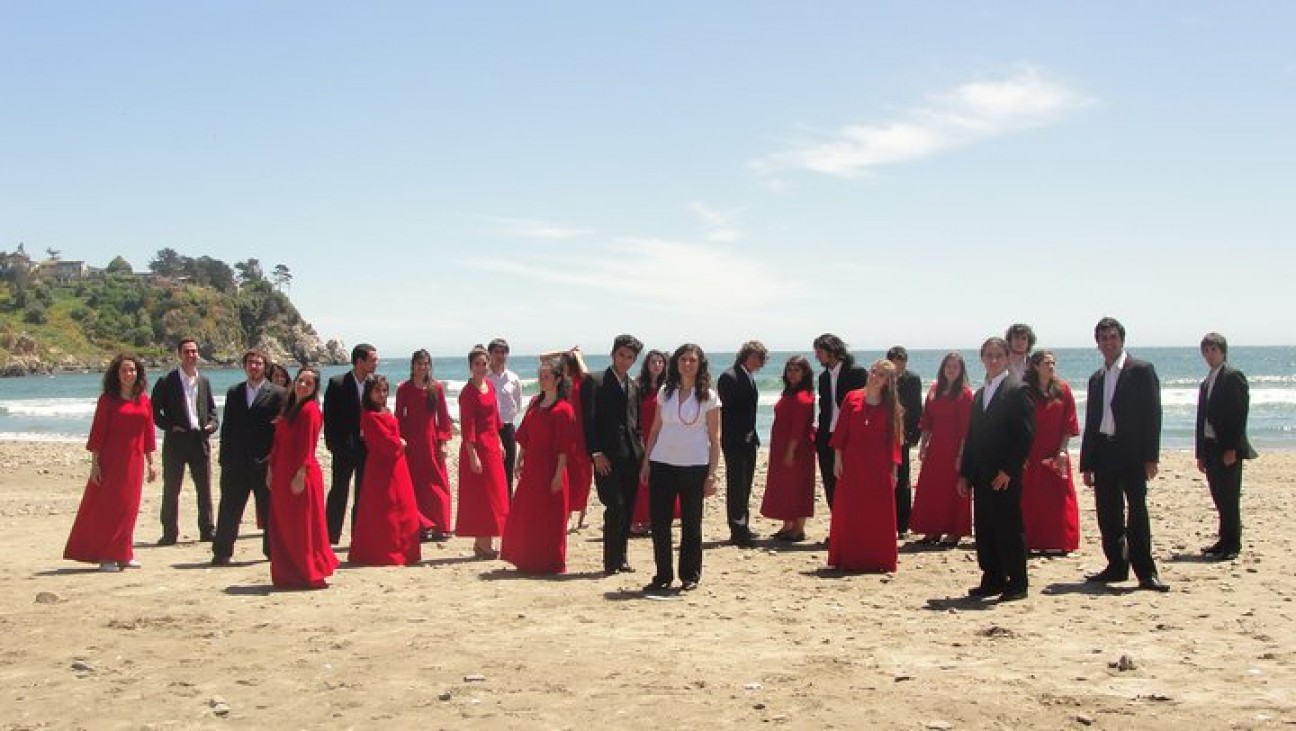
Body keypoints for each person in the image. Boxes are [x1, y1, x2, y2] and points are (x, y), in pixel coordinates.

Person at [1079, 317, 1169, 592]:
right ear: (1097, 344)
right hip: (1104, 451)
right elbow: (1092, 421)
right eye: (1103, 338)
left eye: (1113, 337)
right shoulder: (1097, 378)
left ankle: (1145, 572)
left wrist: (1151, 456)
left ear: (1122, 340)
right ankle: (1116, 566)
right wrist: (1087, 463)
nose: (1108, 342)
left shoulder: (1140, 370)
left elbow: (1153, 415)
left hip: (1131, 452)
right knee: (1108, 514)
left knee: (1137, 512)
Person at [64, 354, 158, 572]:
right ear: (117, 375)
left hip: (134, 462)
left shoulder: (144, 399)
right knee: (109, 509)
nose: (129, 374)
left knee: (129, 509)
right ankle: (106, 556)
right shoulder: (108, 400)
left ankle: (124, 555)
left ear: (138, 373)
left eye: (132, 370)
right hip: (111, 460)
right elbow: (98, 433)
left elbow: (149, 433)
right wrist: (95, 464)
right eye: (124, 370)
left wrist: (152, 462)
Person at [959, 338, 1035, 601]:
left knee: (1008, 527)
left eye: (998, 356)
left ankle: (1018, 582)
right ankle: (992, 578)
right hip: (981, 473)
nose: (993, 360)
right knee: (985, 527)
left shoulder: (1017, 389)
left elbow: (1025, 436)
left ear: (1006, 359)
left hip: (1004, 474)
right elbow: (972, 436)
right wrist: (966, 474)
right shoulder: (980, 393)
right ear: (982, 358)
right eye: (989, 355)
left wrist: (1009, 470)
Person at [640, 343, 720, 593]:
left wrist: (712, 474)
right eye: (683, 359)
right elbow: (654, 429)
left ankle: (690, 574)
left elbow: (715, 438)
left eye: (692, 360)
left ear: (700, 364)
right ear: (676, 363)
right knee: (660, 522)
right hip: (662, 463)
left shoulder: (709, 396)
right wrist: (646, 461)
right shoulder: (666, 391)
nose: (687, 364)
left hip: (694, 466)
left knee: (691, 523)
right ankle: (663, 574)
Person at [501, 358, 578, 574]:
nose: (542, 380)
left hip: (552, 468)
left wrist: (558, 474)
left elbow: (564, 448)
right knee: (527, 514)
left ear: (558, 379)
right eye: (540, 376)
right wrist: (518, 461)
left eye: (547, 376)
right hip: (532, 468)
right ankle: (527, 560)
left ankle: (550, 562)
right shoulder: (535, 402)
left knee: (551, 518)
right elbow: (525, 436)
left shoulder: (564, 409)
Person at [826, 359, 903, 573]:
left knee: (876, 514)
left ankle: (877, 559)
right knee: (850, 510)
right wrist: (837, 460)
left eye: (880, 375)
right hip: (852, 463)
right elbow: (840, 432)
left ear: (887, 382)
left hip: (878, 467)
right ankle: (848, 557)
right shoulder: (852, 398)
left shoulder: (890, 406)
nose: (874, 376)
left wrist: (894, 471)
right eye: (873, 371)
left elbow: (894, 443)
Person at [212, 349, 286, 566]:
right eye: (250, 363)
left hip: (264, 461)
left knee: (269, 509)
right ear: (245, 366)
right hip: (236, 461)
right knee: (229, 508)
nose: (254, 367)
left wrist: (275, 460)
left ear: (265, 367)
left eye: (259, 363)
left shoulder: (278, 393)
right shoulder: (234, 392)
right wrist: (224, 459)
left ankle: (273, 552)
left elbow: (281, 431)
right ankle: (222, 552)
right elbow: (228, 427)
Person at [267, 367, 339, 589]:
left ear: (315, 388)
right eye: (301, 381)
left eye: (309, 383)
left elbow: (308, 447)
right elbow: (277, 444)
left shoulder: (311, 410)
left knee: (304, 526)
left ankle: (309, 571)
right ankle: (288, 573)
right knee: (283, 524)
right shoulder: (289, 408)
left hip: (301, 475)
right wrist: (270, 469)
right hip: (281, 473)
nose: (303, 385)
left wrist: (300, 474)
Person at [581, 335, 646, 575]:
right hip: (606, 457)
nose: (625, 361)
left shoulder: (634, 386)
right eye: (622, 355)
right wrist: (596, 453)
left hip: (632, 456)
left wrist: (641, 452)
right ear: (613, 354)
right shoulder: (595, 382)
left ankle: (623, 558)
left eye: (630, 357)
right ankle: (611, 561)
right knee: (615, 506)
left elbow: (637, 423)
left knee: (628, 508)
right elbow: (588, 422)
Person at [350, 375, 428, 566]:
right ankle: (384, 551)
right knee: (383, 508)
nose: (381, 394)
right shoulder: (368, 415)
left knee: (402, 504)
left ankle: (404, 548)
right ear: (369, 393)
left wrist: (398, 444)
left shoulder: (385, 411)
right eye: (377, 390)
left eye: (384, 390)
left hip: (397, 464)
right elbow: (380, 440)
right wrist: (399, 443)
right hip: (380, 465)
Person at [1195, 332, 1258, 561]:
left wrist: (1232, 447)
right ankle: (1223, 539)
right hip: (1210, 446)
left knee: (1229, 496)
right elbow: (1201, 419)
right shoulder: (1207, 382)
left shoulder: (1232, 376)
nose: (1210, 355)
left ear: (1223, 352)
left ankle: (1233, 543)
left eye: (1214, 350)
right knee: (1218, 494)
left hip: (1227, 446)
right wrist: (1200, 453)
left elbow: (1239, 414)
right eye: (1207, 351)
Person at [151, 338, 218, 545]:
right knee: (172, 488)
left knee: (205, 488)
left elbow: (213, 412)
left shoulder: (203, 381)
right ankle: (169, 533)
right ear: (179, 355)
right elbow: (153, 411)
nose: (191, 355)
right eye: (187, 352)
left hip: (199, 439)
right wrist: (170, 426)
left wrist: (212, 426)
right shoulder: (166, 381)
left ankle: (207, 530)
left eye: (194, 351)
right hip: (176, 440)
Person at [909, 352, 974, 547]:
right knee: (933, 488)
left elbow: (967, 428)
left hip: (956, 447)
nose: (951, 370)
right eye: (948, 366)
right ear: (942, 369)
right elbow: (927, 420)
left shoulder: (965, 394)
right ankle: (933, 529)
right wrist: (923, 445)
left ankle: (955, 531)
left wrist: (961, 455)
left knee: (954, 489)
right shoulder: (935, 390)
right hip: (936, 446)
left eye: (955, 367)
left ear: (961, 370)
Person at [1021, 350, 1081, 554]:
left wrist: (1062, 450)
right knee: (1030, 496)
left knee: (1059, 496)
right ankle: (1031, 540)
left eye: (1053, 363)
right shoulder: (1025, 391)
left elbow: (1069, 423)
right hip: (1031, 451)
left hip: (1055, 450)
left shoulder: (1063, 390)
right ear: (1036, 366)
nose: (1051, 366)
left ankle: (1061, 541)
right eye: (1046, 363)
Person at [457, 345, 510, 559]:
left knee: (495, 494)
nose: (481, 367)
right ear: (470, 367)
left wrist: (500, 442)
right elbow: (467, 426)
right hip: (476, 448)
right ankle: (482, 543)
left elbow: (495, 418)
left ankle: (484, 542)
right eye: (477, 364)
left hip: (492, 447)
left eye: (484, 363)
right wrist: (473, 455)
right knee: (481, 497)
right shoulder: (467, 392)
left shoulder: (490, 385)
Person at [395, 350, 455, 541]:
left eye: (426, 363)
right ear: (412, 365)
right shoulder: (403, 388)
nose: (423, 367)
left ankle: (440, 526)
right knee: (414, 485)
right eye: (419, 363)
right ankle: (420, 526)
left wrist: (443, 441)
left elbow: (443, 418)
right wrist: (399, 440)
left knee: (438, 484)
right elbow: (398, 417)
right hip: (411, 443)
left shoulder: (435, 387)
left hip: (431, 442)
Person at [324, 343, 378, 544]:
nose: (376, 363)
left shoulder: (375, 382)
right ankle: (329, 536)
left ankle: (359, 537)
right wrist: (334, 446)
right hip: (343, 448)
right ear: (359, 361)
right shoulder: (337, 383)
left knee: (363, 493)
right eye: (372, 359)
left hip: (368, 448)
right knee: (339, 491)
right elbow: (329, 419)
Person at [759, 355, 817, 542]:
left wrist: (791, 450)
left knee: (799, 486)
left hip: (797, 448)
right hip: (781, 445)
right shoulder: (789, 392)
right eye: (789, 369)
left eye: (797, 370)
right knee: (785, 486)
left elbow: (798, 428)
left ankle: (798, 529)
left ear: (805, 373)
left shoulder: (803, 396)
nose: (792, 374)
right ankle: (787, 525)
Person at [718, 340, 768, 547]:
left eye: (761, 358)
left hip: (748, 439)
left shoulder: (749, 376)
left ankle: (743, 524)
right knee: (737, 484)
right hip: (735, 440)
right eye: (757, 357)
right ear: (746, 355)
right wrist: (743, 433)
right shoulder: (729, 377)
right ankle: (737, 529)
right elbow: (730, 411)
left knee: (746, 484)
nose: (759, 362)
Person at [813, 333, 868, 510]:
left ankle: (853, 528)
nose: (817, 356)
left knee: (851, 484)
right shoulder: (822, 378)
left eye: (820, 351)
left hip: (851, 438)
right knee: (830, 484)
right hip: (826, 437)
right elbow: (824, 409)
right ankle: (837, 528)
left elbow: (865, 407)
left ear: (832, 351)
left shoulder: (856, 373)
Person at [631, 349, 669, 535]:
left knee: (660, 480)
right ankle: (639, 519)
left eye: (660, 362)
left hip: (663, 438)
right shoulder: (638, 386)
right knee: (642, 480)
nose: (657, 365)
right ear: (647, 364)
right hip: (642, 436)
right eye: (653, 362)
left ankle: (656, 519)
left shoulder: (669, 387)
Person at [887, 346, 923, 539]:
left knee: (902, 479)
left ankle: (902, 524)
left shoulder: (913, 379)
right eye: (895, 363)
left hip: (903, 435)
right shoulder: (883, 378)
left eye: (902, 363)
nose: (899, 367)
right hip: (883, 436)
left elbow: (917, 408)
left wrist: (914, 435)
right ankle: (886, 519)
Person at [560, 348, 594, 531]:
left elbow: (587, 374)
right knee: (568, 470)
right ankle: (569, 513)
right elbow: (542, 358)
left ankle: (582, 509)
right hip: (566, 428)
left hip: (582, 429)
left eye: (566, 362)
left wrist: (578, 355)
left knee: (583, 473)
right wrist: (565, 351)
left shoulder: (582, 380)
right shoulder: (560, 381)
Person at [487, 338, 524, 496]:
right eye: (497, 352)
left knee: (508, 471)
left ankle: (508, 509)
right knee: (491, 473)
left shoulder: (514, 379)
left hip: (508, 429)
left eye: (503, 352)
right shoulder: (484, 377)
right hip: (489, 430)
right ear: (490, 354)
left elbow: (517, 404)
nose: (500, 355)